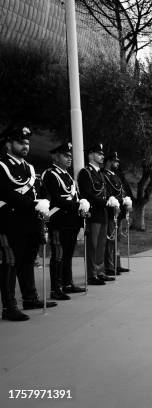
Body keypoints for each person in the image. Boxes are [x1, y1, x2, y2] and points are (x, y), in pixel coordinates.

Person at [0, 126, 57, 320]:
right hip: (10, 221)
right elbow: (8, 194)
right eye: (21, 142)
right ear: (8, 143)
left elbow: (40, 190)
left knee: (27, 261)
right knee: (11, 263)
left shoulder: (29, 167)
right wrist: (35, 203)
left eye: (27, 143)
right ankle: (9, 306)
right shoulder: (2, 165)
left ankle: (30, 298)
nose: (26, 146)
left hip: (31, 221)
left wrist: (45, 201)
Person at [42, 142, 90, 300]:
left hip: (71, 221)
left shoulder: (68, 175)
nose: (69, 158)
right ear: (56, 157)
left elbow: (74, 196)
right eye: (65, 155)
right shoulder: (50, 174)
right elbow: (55, 200)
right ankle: (56, 288)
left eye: (70, 156)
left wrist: (81, 209)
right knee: (58, 254)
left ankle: (67, 283)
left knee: (68, 253)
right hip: (59, 221)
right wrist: (77, 204)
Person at [77, 143, 117, 285]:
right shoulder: (85, 172)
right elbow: (87, 193)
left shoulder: (100, 173)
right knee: (92, 245)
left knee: (101, 244)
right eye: (99, 154)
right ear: (91, 155)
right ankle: (92, 274)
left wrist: (110, 199)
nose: (102, 156)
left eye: (102, 154)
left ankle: (100, 271)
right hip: (93, 213)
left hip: (103, 213)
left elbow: (105, 191)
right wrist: (105, 201)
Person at [102, 151, 132, 276]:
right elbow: (108, 193)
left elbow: (121, 191)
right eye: (115, 161)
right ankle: (109, 265)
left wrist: (125, 200)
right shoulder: (104, 175)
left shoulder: (115, 175)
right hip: (111, 211)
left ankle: (117, 264)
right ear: (108, 162)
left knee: (117, 239)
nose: (117, 163)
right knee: (110, 239)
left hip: (119, 212)